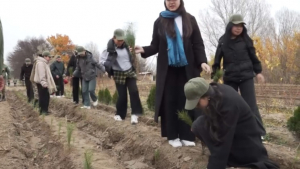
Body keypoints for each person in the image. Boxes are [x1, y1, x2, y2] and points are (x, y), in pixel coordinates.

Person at [135, 0, 210, 147]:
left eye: (174, 0)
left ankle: (188, 135)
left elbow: (198, 43)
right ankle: (172, 135)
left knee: (187, 100)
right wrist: (143, 50)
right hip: (168, 69)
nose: (171, 2)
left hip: (187, 68)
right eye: (168, 0)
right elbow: (155, 45)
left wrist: (202, 61)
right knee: (169, 101)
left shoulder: (190, 20)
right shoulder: (159, 21)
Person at [184, 77, 279, 169]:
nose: (196, 106)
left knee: (219, 147)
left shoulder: (228, 106)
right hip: (233, 131)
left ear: (204, 96)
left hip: (246, 144)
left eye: (197, 103)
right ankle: (222, 158)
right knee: (198, 125)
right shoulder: (215, 91)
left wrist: (214, 166)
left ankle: (228, 160)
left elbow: (222, 141)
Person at [211, 14, 266, 136]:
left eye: (241, 26)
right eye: (236, 25)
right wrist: (215, 77)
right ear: (230, 26)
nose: (238, 28)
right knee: (230, 104)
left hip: (246, 76)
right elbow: (217, 61)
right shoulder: (223, 42)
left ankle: (258, 133)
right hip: (230, 77)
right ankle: (230, 131)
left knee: (250, 104)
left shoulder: (246, 40)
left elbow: (253, 57)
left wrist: (258, 72)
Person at [101, 29, 143, 124]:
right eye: (118, 40)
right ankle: (120, 114)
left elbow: (130, 58)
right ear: (114, 38)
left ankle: (135, 114)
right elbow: (102, 61)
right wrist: (108, 68)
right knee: (122, 95)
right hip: (118, 73)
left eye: (122, 40)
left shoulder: (127, 47)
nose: (120, 42)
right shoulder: (108, 49)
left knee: (134, 91)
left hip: (129, 72)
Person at [30, 51, 57, 115]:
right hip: (42, 83)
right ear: (44, 56)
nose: (50, 58)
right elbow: (41, 74)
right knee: (43, 97)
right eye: (49, 57)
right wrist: (44, 83)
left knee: (46, 97)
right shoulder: (40, 63)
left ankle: (45, 110)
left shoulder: (44, 63)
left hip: (43, 83)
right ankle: (43, 111)